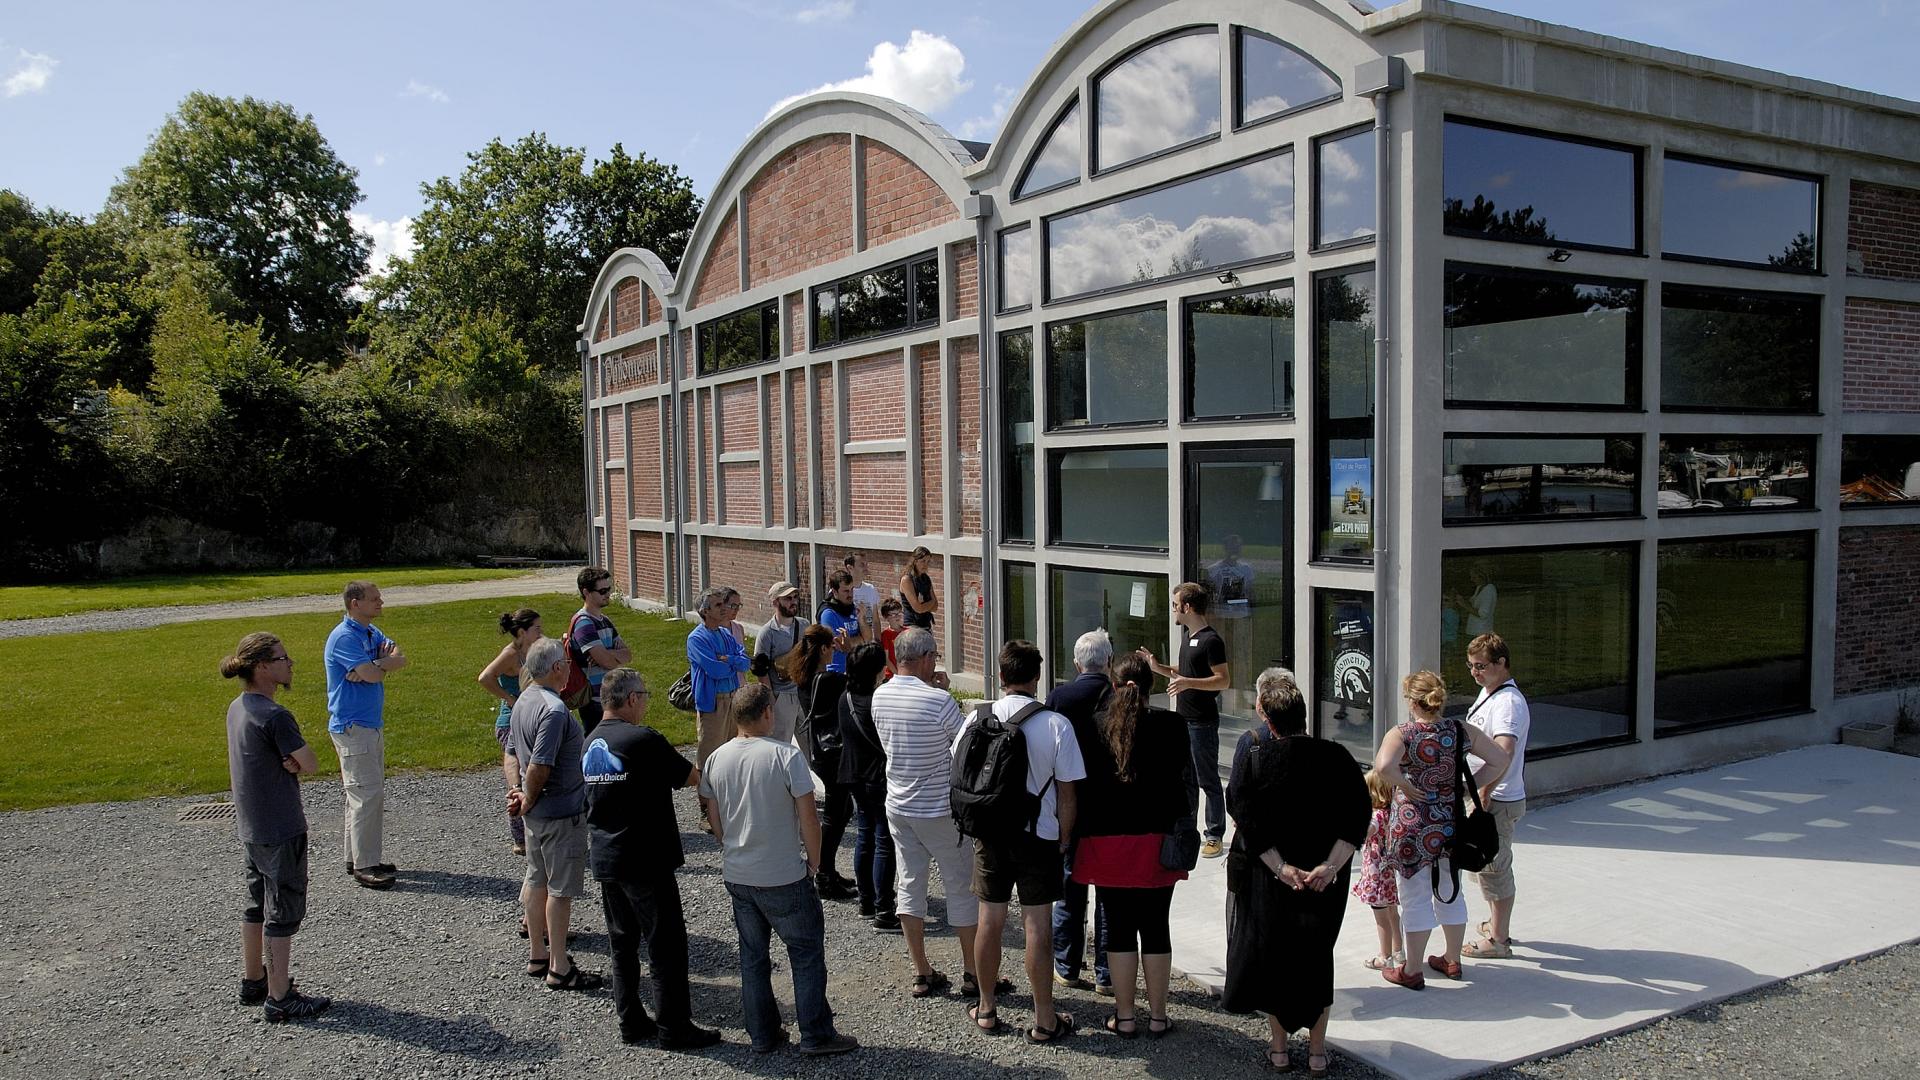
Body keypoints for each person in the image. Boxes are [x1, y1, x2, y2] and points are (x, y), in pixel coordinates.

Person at [1222, 668, 1370, 1075]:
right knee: (1317, 957)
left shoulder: (1256, 758)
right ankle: (1318, 1053)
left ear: (1264, 717)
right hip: (1324, 882)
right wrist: (1330, 867)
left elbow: (1245, 818)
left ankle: (1280, 1049)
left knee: (1276, 957)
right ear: (1305, 714)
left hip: (1272, 879)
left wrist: (1282, 867)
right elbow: (1358, 817)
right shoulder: (1338, 757)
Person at [699, 684, 860, 1057]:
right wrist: (815, 862)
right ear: (767, 713)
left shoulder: (716, 758)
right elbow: (809, 817)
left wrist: (728, 843)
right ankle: (816, 1034)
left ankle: (762, 1035)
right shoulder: (785, 756)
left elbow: (713, 811)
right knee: (804, 953)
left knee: (752, 958)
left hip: (738, 874)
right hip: (783, 874)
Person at [583, 668, 723, 1050]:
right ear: (631, 699)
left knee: (623, 944)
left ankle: (630, 1021)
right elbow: (691, 777)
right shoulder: (642, 740)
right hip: (645, 857)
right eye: (644, 695)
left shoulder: (591, 741)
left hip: (607, 856)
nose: (645, 702)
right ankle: (674, 1027)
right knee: (666, 945)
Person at [956, 639, 1087, 1045]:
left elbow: (959, 770)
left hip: (990, 834)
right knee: (1037, 925)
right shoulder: (1055, 725)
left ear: (1000, 675)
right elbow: (1068, 794)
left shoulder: (978, 718)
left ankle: (987, 1007)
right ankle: (1044, 1018)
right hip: (1038, 836)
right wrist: (1064, 839)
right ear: (1037, 677)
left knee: (990, 919)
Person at [1071, 653, 1193, 1038]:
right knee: (1157, 927)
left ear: (1113, 682)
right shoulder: (1173, 725)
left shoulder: (1092, 727)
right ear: (1150, 687)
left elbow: (1080, 787)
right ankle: (1158, 1016)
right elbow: (1187, 786)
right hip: (1158, 841)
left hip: (1105, 842)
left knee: (1118, 930)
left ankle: (1124, 1016)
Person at [1371, 670, 1510, 990]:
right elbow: (1500, 758)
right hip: (1450, 823)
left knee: (1415, 896)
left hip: (1412, 826)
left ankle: (1412, 968)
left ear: (1411, 700)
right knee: (1450, 890)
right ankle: (1451, 959)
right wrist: (1465, 787)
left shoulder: (1402, 733)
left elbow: (1382, 767)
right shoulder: (1459, 730)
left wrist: (1405, 784)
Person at [221, 632, 330, 1022]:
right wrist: (297, 762)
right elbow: (312, 761)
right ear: (263, 667)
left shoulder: (238, 707)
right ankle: (280, 996)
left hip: (252, 825)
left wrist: (290, 762)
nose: (290, 665)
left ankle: (254, 979)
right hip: (281, 826)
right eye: (283, 659)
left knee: (255, 904)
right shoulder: (276, 716)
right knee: (282, 910)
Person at [869, 627, 982, 1000]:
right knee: (960, 886)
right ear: (925, 658)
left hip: (899, 805)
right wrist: (941, 691)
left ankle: (921, 970)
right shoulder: (939, 701)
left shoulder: (879, 696)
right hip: (938, 808)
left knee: (910, 884)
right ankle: (972, 972)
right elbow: (963, 747)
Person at [506, 637, 602, 992]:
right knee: (560, 891)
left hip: (536, 816)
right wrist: (527, 795)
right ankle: (559, 966)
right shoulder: (554, 710)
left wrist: (518, 793)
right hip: (560, 812)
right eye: (565, 662)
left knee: (536, 880)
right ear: (557, 667)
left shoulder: (522, 701)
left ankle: (537, 954)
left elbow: (513, 753)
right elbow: (541, 764)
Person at [324, 580, 408, 889]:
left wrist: (374, 666)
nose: (381, 603)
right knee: (366, 795)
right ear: (355, 603)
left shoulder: (370, 633)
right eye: (374, 599)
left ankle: (356, 856)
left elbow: (399, 658)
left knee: (360, 793)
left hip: (369, 724)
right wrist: (377, 668)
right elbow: (376, 673)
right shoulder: (344, 637)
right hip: (352, 727)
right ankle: (365, 864)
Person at [1136, 582, 1229, 859]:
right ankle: (1187, 828)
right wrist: (1158, 667)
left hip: (1202, 723)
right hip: (1183, 720)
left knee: (1208, 780)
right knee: (1185, 779)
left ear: (1188, 607)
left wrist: (1188, 682)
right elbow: (1184, 672)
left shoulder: (1211, 640)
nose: (1174, 609)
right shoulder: (1189, 638)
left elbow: (1223, 680)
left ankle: (1214, 834)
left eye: (1176, 605)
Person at [1047, 629, 1114, 997]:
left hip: (1068, 805)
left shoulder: (1060, 697)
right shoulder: (1119, 697)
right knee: (1107, 894)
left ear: (1077, 664)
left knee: (1069, 889)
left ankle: (1066, 965)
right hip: (1109, 810)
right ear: (1109, 661)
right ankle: (1106, 974)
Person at [1461, 632, 1530, 960]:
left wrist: (1483, 794)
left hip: (1497, 798)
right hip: (1488, 795)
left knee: (1495, 867)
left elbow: (1504, 751)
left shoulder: (1508, 704)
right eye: (1471, 666)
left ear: (1502, 663)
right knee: (1485, 867)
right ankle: (1494, 923)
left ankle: (1499, 940)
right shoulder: (1490, 692)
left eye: (1481, 666)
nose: (1475, 672)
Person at [788, 623, 858, 900]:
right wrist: (850, 651)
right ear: (824, 649)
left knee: (840, 810)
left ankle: (826, 870)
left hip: (821, 752)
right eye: (831, 647)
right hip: (834, 753)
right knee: (836, 814)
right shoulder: (826, 680)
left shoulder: (804, 678)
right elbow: (859, 679)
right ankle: (824, 875)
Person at [837, 643, 898, 930]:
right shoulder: (878, 701)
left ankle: (866, 899)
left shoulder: (845, 698)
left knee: (865, 835)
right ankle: (884, 908)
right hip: (878, 777)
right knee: (884, 839)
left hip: (853, 774)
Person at [479, 608, 542, 856]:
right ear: (522, 631)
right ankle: (520, 838)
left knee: (535, 775)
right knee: (517, 779)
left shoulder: (533, 651)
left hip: (531, 720)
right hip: (510, 724)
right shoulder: (511, 654)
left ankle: (537, 830)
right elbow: (485, 677)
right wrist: (509, 698)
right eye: (537, 628)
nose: (541, 632)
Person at [688, 585, 751, 822]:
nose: (725, 608)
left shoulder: (726, 634)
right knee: (709, 754)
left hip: (733, 697)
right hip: (713, 702)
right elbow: (714, 670)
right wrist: (729, 662)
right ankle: (706, 809)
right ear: (705, 611)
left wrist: (730, 659)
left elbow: (745, 663)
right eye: (718, 605)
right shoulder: (697, 638)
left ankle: (728, 805)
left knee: (732, 751)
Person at [569, 567, 632, 735]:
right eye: (602, 591)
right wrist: (610, 655)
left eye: (609, 589)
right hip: (593, 700)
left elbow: (627, 654)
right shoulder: (584, 623)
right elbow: (607, 662)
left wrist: (607, 652)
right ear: (586, 592)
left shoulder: (604, 621)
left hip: (608, 696)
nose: (608, 594)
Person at [1353, 769, 1403, 972]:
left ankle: (1385, 956)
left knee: (1381, 919)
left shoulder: (1377, 816)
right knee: (1393, 914)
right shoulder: (1394, 813)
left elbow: (1365, 832)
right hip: (1390, 875)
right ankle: (1399, 950)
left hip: (1377, 877)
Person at [751, 581, 807, 744]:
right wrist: (772, 700)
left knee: (811, 747)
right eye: (788, 598)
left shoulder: (804, 625)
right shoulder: (766, 633)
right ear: (775, 602)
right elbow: (761, 670)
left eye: (795, 597)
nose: (793, 601)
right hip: (781, 696)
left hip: (803, 693)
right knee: (780, 745)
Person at [817, 570, 864, 674]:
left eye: (852, 589)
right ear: (834, 592)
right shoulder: (828, 613)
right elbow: (839, 644)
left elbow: (868, 638)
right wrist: (859, 639)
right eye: (846, 591)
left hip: (855, 670)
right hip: (837, 672)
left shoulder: (854, 608)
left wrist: (861, 620)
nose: (850, 594)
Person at [845, 553, 882, 645]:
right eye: (862, 565)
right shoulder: (842, 591)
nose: (866, 568)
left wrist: (878, 642)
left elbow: (875, 620)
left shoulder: (870, 589)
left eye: (866, 564)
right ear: (850, 568)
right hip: (851, 643)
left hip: (867, 643)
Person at [898, 546, 937, 631]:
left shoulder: (926, 579)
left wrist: (926, 605)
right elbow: (918, 608)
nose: (926, 565)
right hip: (912, 627)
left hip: (927, 626)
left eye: (928, 562)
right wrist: (930, 603)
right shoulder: (907, 579)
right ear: (915, 561)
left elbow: (935, 607)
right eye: (923, 561)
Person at [877, 598, 905, 679]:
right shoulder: (886, 635)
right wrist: (898, 674)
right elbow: (886, 658)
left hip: (906, 673)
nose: (897, 616)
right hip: (892, 676)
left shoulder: (908, 632)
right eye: (893, 614)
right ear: (886, 617)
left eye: (899, 613)